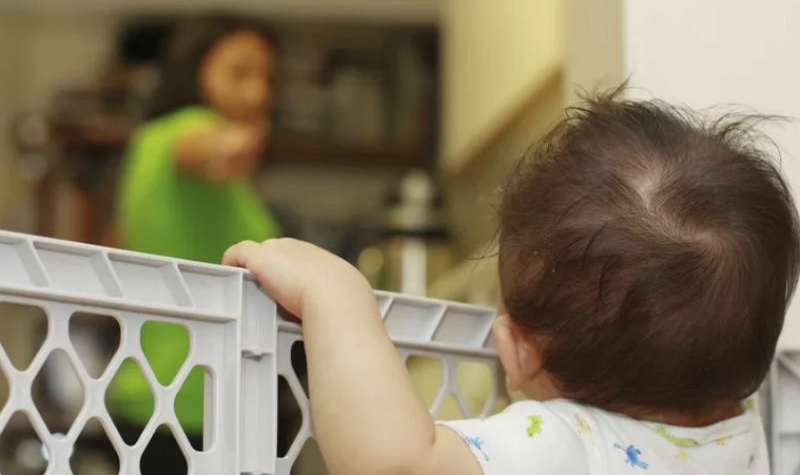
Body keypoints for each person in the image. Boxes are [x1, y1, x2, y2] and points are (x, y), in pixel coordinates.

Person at [223, 89, 799, 475]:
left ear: (518, 352)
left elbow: (397, 465)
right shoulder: (740, 441)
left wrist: (336, 296)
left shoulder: (562, 442)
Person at [112, 14, 281, 472]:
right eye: (240, 73)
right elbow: (204, 147)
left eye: (266, 77)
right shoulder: (184, 130)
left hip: (159, 393)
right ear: (194, 71)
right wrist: (233, 144)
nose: (258, 92)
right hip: (190, 402)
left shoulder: (146, 144)